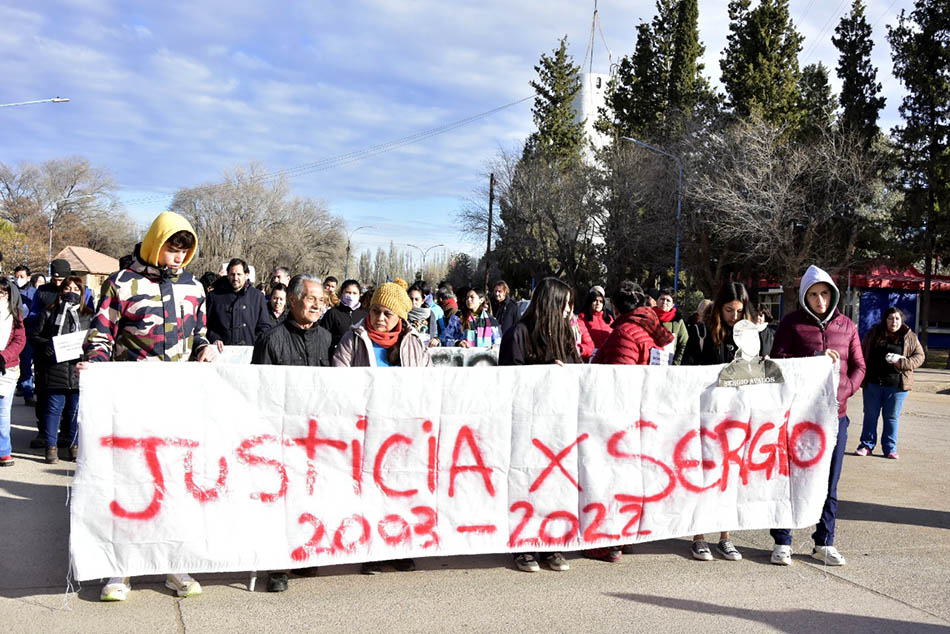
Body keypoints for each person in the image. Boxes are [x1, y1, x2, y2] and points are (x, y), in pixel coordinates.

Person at [81, 211, 217, 601]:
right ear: (156, 242)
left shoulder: (194, 288)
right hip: (130, 400)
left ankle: (174, 566)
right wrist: (96, 365)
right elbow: (101, 334)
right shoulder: (121, 283)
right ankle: (119, 570)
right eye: (173, 248)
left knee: (174, 484)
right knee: (128, 482)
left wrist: (206, 349)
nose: (178, 257)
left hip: (178, 403)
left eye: (185, 250)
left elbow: (202, 334)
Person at [769, 265, 865, 567]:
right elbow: (778, 363)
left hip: (835, 419)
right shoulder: (791, 325)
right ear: (804, 296)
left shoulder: (847, 326)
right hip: (799, 417)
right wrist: (812, 361)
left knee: (829, 484)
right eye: (813, 294)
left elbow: (859, 366)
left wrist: (844, 389)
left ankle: (824, 541)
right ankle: (782, 541)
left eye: (824, 293)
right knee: (791, 478)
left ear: (833, 294)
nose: (820, 300)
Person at [332, 282, 429, 574]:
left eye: (387, 313)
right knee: (371, 490)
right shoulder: (352, 339)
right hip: (366, 429)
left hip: (402, 432)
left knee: (400, 489)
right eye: (375, 311)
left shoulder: (413, 343)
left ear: (399, 316)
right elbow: (339, 382)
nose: (379, 318)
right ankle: (372, 548)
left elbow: (427, 383)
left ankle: (400, 547)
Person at [252, 274, 331, 591]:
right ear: (294, 300)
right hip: (280, 434)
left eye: (321, 300)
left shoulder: (326, 338)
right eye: (310, 298)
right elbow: (257, 391)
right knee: (279, 501)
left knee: (308, 496)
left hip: (314, 435)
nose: (316, 304)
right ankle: (276, 567)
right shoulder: (271, 339)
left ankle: (303, 554)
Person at [499, 277, 579, 572]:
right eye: (565, 305)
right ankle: (523, 545)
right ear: (551, 305)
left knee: (553, 486)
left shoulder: (565, 335)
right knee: (524, 483)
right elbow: (508, 382)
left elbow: (577, 373)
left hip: (557, 427)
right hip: (524, 426)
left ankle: (551, 543)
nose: (570, 312)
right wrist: (543, 374)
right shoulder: (517, 334)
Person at [682, 282, 758, 562]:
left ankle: (726, 537)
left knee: (730, 478)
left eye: (739, 311)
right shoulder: (702, 332)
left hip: (737, 418)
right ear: (718, 307)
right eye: (729, 310)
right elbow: (686, 371)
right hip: (706, 416)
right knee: (704, 476)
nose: (734, 316)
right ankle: (699, 536)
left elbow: (760, 369)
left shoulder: (748, 335)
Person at [30, 276, 94, 463]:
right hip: (54, 367)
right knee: (53, 409)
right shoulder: (49, 312)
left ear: (82, 293)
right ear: (61, 291)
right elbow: (34, 336)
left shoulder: (88, 315)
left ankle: (73, 445)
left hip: (77, 369)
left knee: (74, 410)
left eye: (76, 289)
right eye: (67, 288)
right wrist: (45, 345)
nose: (71, 292)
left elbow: (95, 340)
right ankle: (51, 447)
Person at [856, 307, 925, 459]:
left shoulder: (909, 336)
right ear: (885, 320)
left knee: (891, 417)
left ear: (901, 320)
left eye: (897, 319)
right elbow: (861, 351)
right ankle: (866, 445)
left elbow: (919, 357)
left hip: (896, 386)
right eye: (890, 318)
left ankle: (890, 449)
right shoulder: (874, 333)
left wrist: (903, 362)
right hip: (873, 383)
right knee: (870, 415)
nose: (894, 322)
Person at [206, 258, 274, 348]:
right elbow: (206, 324)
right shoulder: (214, 296)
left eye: (239, 274)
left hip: (250, 351)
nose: (235, 278)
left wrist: (254, 342)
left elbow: (264, 326)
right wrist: (215, 338)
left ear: (246, 275)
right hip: (221, 351)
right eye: (232, 274)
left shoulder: (257, 297)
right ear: (228, 275)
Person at [0, 278, 26, 467]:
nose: (1, 296)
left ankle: (4, 450)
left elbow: (19, 340)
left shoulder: (15, 314)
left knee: (3, 412)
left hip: (6, 368)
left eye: (3, 293)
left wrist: (3, 356)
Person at [319, 279, 368, 358]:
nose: (351, 296)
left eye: (354, 293)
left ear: (359, 295)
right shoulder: (333, 313)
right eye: (348, 292)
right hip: (336, 357)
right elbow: (322, 338)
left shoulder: (364, 315)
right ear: (342, 293)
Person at [13, 265, 36, 406]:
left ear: (28, 277)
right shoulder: (10, 291)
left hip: (28, 332)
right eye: (16, 276)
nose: (18, 279)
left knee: (26, 363)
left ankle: (28, 393)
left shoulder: (34, 293)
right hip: (13, 331)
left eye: (22, 276)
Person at [654, 288, 689, 365]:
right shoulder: (648, 317)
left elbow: (684, 343)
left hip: (670, 366)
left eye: (668, 300)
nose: (664, 302)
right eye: (662, 299)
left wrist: (676, 363)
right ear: (656, 301)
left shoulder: (678, 321)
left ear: (673, 304)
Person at [578, 286, 614, 351]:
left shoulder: (609, 318)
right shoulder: (582, 317)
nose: (598, 304)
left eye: (601, 301)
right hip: (590, 355)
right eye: (595, 300)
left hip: (608, 353)